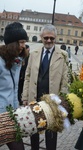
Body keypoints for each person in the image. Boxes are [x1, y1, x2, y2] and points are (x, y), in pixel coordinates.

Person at [22, 24, 68, 150]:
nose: (49, 40)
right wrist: (25, 97)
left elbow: (65, 80)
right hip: (34, 98)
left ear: (56, 38)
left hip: (52, 102)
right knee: (34, 130)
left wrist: (62, 100)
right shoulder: (34, 54)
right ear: (41, 37)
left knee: (51, 132)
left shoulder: (62, 55)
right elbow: (27, 76)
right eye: (46, 37)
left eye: (51, 38)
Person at [0, 22, 28, 150]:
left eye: (24, 42)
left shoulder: (17, 62)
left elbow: (15, 89)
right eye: (21, 42)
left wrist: (17, 111)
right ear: (12, 43)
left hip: (11, 116)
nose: (24, 45)